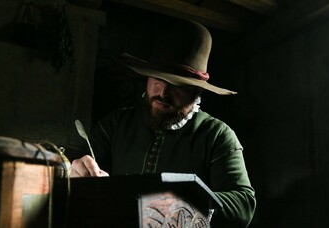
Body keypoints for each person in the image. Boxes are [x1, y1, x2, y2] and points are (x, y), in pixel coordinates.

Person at [70, 19, 256, 227]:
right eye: (157, 78)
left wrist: (182, 205)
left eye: (178, 85)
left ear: (197, 91)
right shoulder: (115, 124)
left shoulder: (218, 135)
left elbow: (243, 204)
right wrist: (76, 171)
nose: (163, 92)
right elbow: (76, 164)